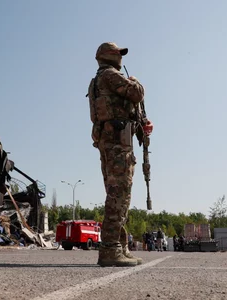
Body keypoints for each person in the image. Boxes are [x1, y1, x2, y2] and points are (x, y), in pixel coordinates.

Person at [87, 42, 153, 267]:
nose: (120, 57)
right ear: (107, 56)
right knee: (119, 194)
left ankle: (119, 246)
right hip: (117, 143)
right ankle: (110, 249)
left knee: (118, 193)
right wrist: (135, 81)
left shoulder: (97, 81)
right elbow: (136, 92)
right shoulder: (110, 76)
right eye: (117, 53)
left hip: (111, 140)